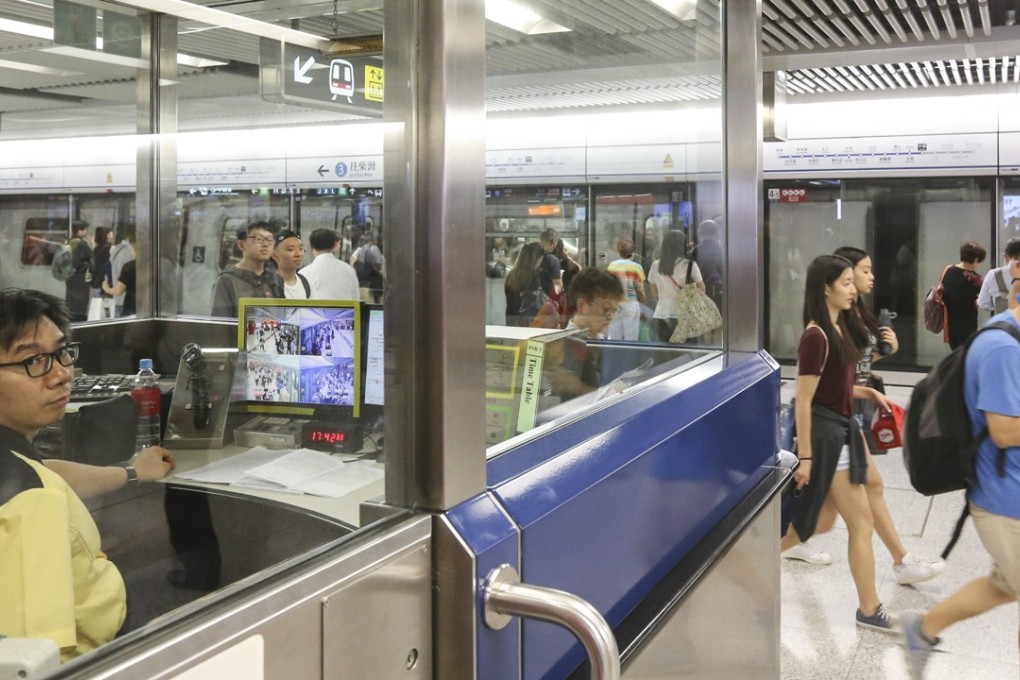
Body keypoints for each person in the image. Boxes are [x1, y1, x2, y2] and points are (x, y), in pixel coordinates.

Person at [0, 288, 175, 661]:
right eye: (33, 361)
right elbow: (37, 659)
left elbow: (48, 472)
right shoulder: (32, 502)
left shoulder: (19, 466)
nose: (63, 374)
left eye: (61, 352)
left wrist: (133, 471)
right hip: (106, 647)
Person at [785, 246, 944, 585]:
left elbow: (844, 373)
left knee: (846, 509)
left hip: (842, 420)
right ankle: (889, 574)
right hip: (829, 426)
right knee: (837, 517)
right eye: (859, 273)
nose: (864, 281)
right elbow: (809, 393)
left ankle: (895, 567)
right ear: (833, 283)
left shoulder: (844, 320)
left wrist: (868, 388)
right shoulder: (824, 329)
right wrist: (807, 456)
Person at [898, 258, 1020, 678]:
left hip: (1011, 492)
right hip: (1006, 498)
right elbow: (1004, 431)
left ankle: (923, 629)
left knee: (1004, 585)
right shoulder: (1003, 347)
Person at [780, 254, 895, 634]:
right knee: (859, 523)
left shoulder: (839, 327)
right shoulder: (816, 336)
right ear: (825, 288)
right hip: (830, 440)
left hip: (841, 430)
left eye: (852, 281)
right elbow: (804, 399)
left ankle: (739, 566)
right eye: (845, 283)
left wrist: (865, 392)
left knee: (815, 524)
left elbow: (836, 386)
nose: (852, 290)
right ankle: (870, 608)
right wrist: (807, 457)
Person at [550, 268, 624, 400]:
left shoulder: (599, 338)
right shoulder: (569, 347)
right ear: (582, 305)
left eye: (615, 310)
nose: (611, 317)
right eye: (606, 309)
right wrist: (577, 387)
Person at [210, 221, 284, 318]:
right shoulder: (227, 281)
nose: (265, 244)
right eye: (258, 239)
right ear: (241, 245)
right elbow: (220, 325)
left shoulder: (275, 279)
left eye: (270, 239)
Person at [647, 230, 703, 343]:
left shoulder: (655, 265)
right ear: (683, 246)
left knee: (665, 353)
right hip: (685, 315)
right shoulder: (690, 265)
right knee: (687, 353)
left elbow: (653, 292)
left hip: (662, 315)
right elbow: (701, 288)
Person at [941, 240, 986, 349]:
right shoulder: (976, 279)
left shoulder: (948, 270)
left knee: (956, 354)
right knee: (966, 356)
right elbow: (985, 301)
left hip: (950, 324)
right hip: (967, 326)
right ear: (976, 259)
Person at [504, 241, 556, 328]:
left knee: (521, 342)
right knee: (533, 342)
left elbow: (510, 305)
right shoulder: (542, 275)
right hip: (536, 326)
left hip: (514, 326)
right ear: (539, 258)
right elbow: (553, 297)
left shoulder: (512, 276)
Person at [300, 228, 360, 301]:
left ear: (310, 246)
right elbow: (356, 299)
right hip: (347, 312)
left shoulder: (303, 274)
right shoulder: (349, 270)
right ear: (334, 245)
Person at [606, 239, 646, 340]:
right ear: (633, 252)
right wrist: (643, 306)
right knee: (631, 338)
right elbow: (640, 290)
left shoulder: (612, 266)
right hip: (631, 305)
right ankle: (629, 355)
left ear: (619, 253)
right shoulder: (637, 268)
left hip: (615, 305)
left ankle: (615, 355)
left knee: (614, 337)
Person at [977, 237, 1020, 317]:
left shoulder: (993, 274)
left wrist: (999, 304)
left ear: (1006, 257)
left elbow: (983, 303)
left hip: (1004, 326)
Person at [64, 220, 93, 322]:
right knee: (80, 309)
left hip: (70, 280)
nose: (86, 232)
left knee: (70, 306)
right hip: (80, 283)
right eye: (85, 229)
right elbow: (92, 259)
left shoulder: (69, 242)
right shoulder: (82, 244)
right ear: (80, 231)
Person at [101, 234, 136, 316]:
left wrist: (106, 288)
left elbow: (118, 291)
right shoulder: (143, 264)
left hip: (122, 300)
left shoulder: (117, 249)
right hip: (135, 303)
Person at [272, 230, 309, 300]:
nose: (298, 254)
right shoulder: (269, 286)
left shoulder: (305, 282)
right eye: (290, 249)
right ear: (274, 255)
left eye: (301, 249)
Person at [351, 232, 385, 303]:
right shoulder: (374, 249)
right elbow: (378, 265)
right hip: (372, 285)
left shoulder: (357, 251)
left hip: (361, 284)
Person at [90, 227, 112, 314]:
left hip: (96, 281)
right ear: (107, 235)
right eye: (110, 233)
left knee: (96, 307)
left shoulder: (96, 249)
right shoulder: (110, 248)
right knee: (107, 307)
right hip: (106, 281)